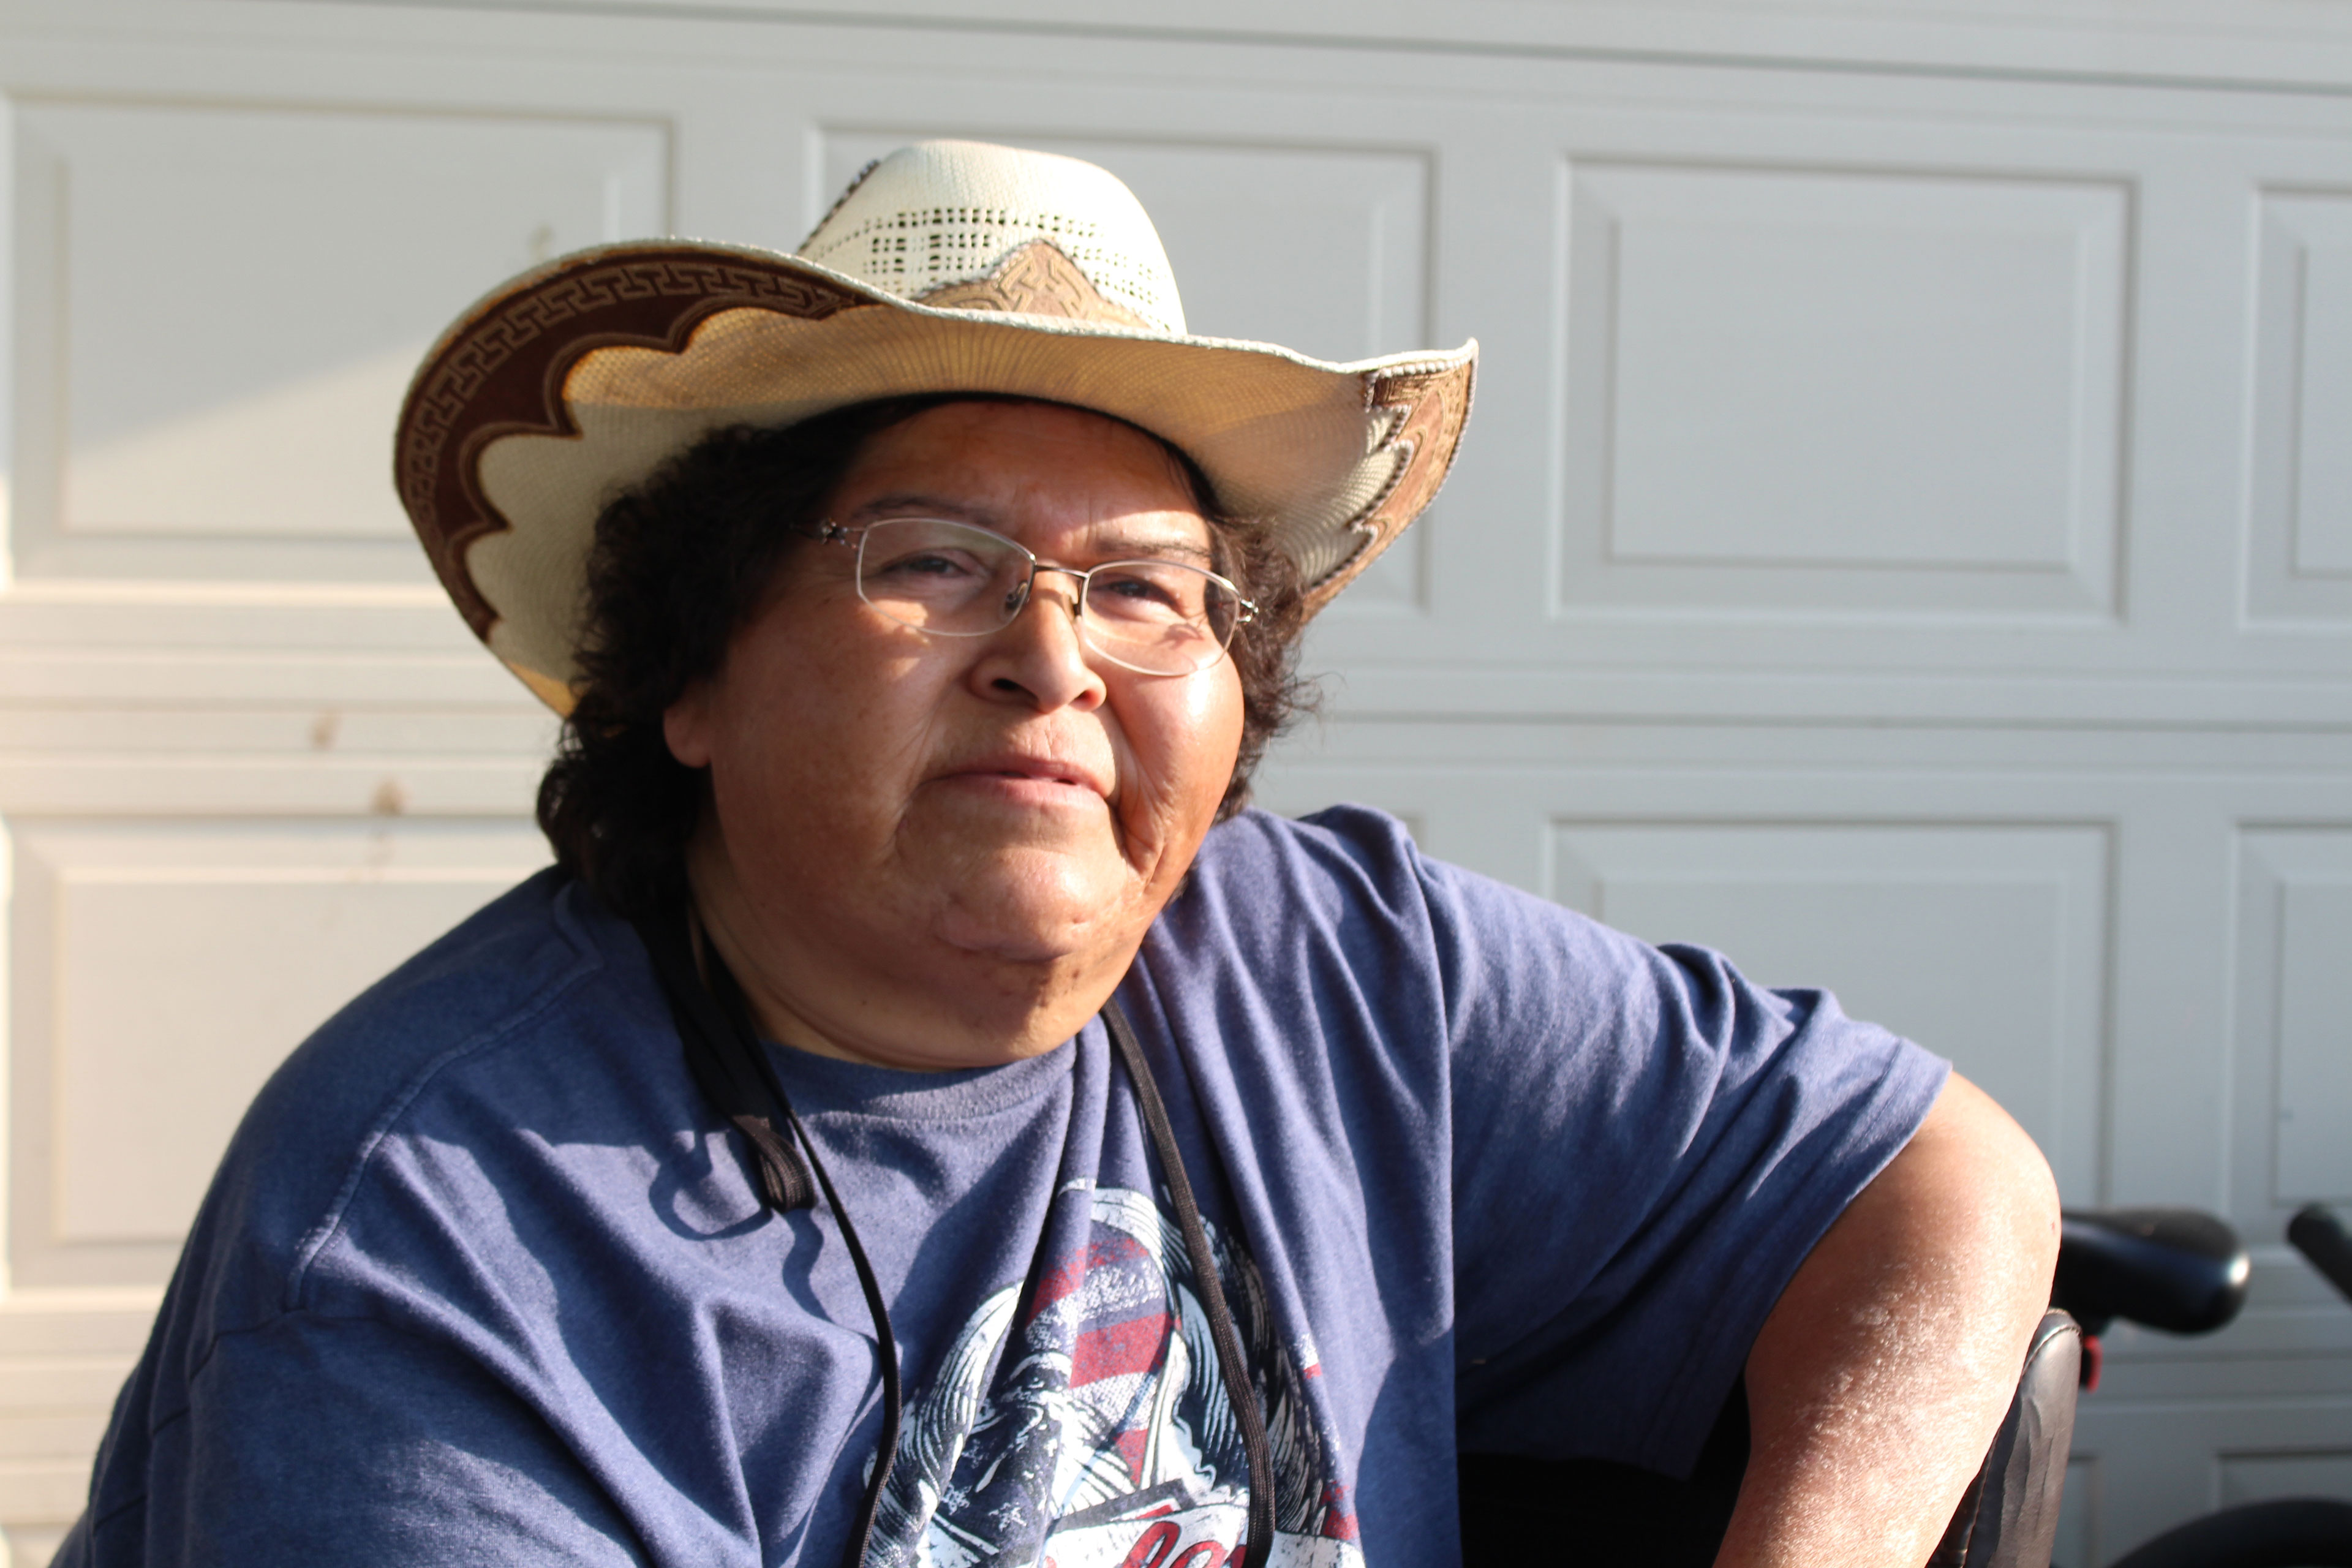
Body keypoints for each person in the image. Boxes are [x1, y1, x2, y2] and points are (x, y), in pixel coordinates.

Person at [58, 141, 2057, 1568]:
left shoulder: (1332, 962)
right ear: (693, 673)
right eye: (933, 561)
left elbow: (1938, 1175)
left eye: (1149, 590)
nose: (1051, 656)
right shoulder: (439, 1227)